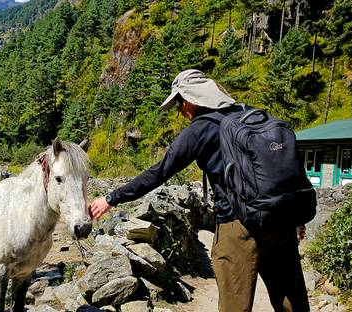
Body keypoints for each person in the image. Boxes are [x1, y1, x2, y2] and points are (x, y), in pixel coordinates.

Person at [89, 69, 309, 312]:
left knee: (235, 307)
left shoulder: (201, 128)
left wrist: (112, 198)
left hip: (238, 227)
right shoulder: (249, 113)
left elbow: (159, 172)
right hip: (281, 221)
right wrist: (295, 217)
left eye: (180, 102)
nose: (180, 110)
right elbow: (283, 168)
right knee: (294, 304)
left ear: (192, 99)